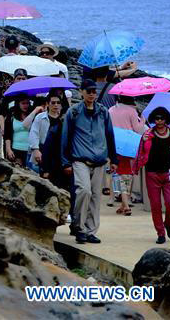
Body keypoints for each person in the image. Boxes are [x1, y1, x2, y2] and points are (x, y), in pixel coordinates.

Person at [62, 78, 118, 244]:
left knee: (95, 197)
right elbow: (66, 138)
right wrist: (66, 162)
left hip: (100, 160)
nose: (92, 94)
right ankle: (79, 227)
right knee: (84, 191)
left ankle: (90, 231)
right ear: (82, 92)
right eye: (89, 91)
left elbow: (109, 135)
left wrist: (114, 159)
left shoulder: (103, 112)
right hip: (80, 159)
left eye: (94, 91)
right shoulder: (73, 112)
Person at [134, 107, 170, 244]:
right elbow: (141, 152)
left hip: (169, 174)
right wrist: (144, 142)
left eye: (162, 118)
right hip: (152, 174)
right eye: (157, 118)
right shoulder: (148, 134)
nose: (159, 121)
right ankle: (160, 233)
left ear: (166, 119)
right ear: (153, 119)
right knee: (155, 205)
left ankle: (168, 224)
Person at [109, 96, 147, 216]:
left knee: (116, 173)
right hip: (127, 145)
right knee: (126, 174)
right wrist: (142, 120)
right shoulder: (132, 111)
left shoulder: (111, 109)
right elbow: (137, 129)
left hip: (113, 143)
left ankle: (121, 203)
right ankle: (126, 205)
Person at [31, 91, 71, 190]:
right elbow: (34, 133)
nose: (56, 105)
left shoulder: (64, 120)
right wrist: (35, 149)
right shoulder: (40, 117)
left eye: (58, 103)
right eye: (53, 103)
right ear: (48, 104)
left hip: (60, 155)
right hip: (44, 153)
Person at [3, 95, 35, 168]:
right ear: (18, 104)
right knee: (18, 171)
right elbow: (7, 135)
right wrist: (8, 149)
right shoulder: (11, 116)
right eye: (23, 103)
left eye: (27, 103)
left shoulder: (32, 115)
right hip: (16, 149)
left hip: (29, 150)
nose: (25, 105)